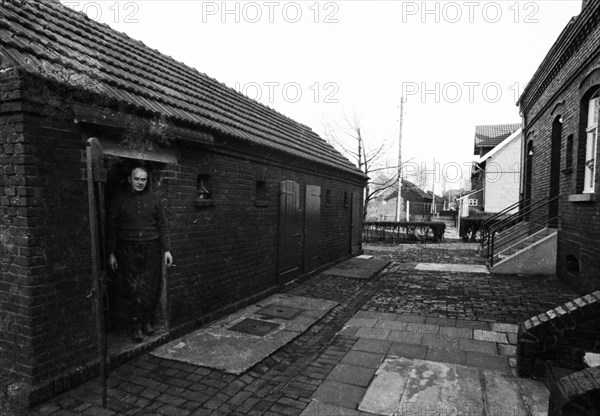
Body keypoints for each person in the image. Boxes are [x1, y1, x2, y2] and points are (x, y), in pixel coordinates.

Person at [107, 166, 173, 342]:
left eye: (143, 179)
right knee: (132, 287)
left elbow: (163, 225)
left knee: (150, 286)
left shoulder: (154, 199)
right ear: (130, 179)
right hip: (127, 248)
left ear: (147, 181)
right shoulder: (120, 199)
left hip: (151, 247)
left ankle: (147, 323)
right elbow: (112, 228)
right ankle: (135, 327)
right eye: (136, 179)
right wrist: (111, 253)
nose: (140, 182)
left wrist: (166, 250)